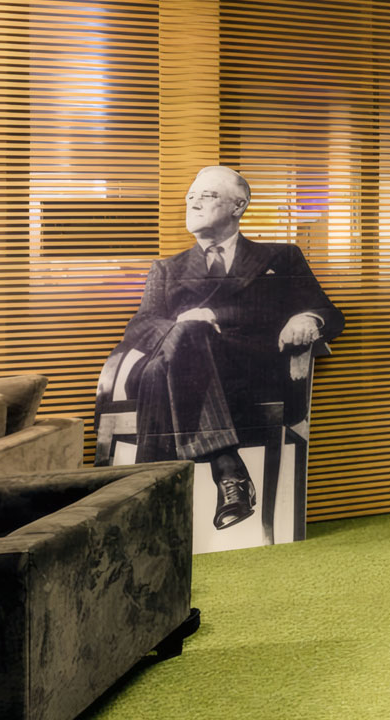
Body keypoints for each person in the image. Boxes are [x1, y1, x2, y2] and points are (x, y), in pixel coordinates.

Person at [114, 166, 344, 531]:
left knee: (159, 370)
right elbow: (139, 327)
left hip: (251, 375)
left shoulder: (280, 257)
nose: (193, 203)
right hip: (190, 378)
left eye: (206, 196)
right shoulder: (168, 268)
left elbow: (329, 313)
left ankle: (149, 499)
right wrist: (184, 324)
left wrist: (307, 319)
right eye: (190, 197)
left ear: (239, 206)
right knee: (185, 336)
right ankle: (227, 470)